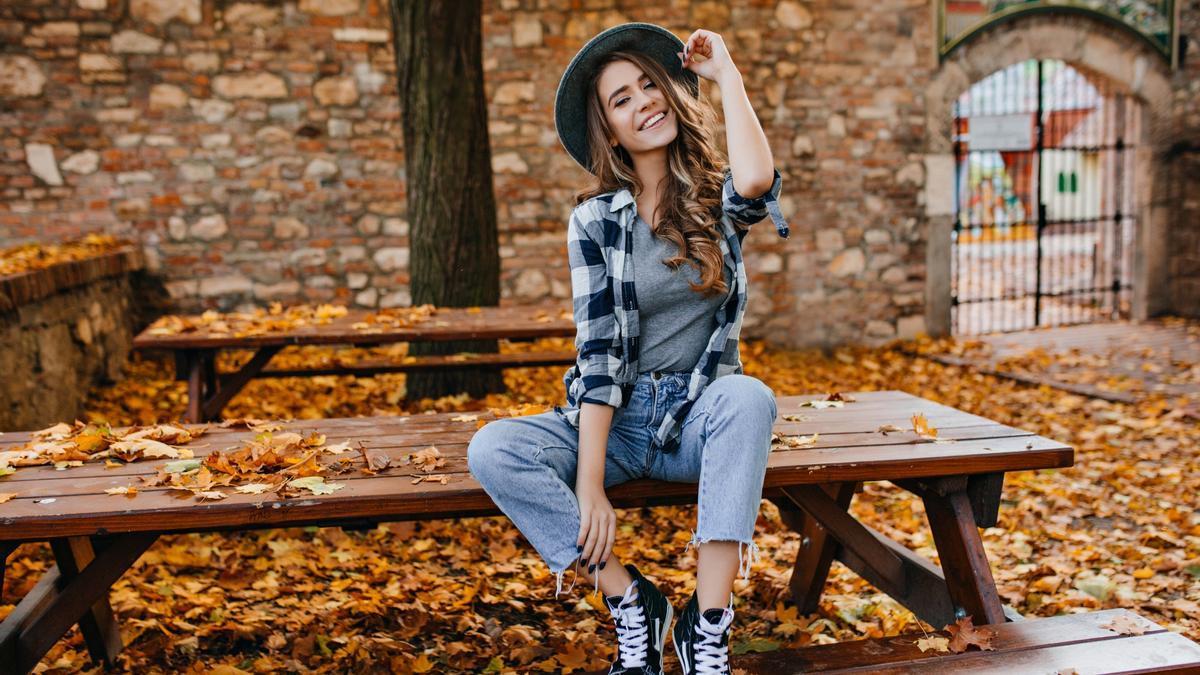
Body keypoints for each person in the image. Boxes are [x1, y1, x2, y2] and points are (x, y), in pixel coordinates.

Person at [468, 22, 789, 675]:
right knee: (494, 448)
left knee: (750, 397)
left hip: (696, 417)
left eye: (649, 84)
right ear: (609, 130)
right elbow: (600, 350)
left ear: (670, 92)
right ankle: (632, 601)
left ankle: (707, 626)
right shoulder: (595, 221)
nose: (643, 101)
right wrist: (589, 484)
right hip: (616, 425)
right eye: (621, 99)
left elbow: (756, 180)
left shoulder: (715, 196)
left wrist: (725, 73)